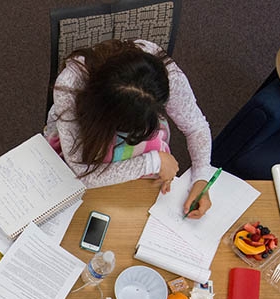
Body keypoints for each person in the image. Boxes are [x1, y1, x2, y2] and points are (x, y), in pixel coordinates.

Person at [44, 39, 216, 218]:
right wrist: (154, 162)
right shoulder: (69, 86)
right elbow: (81, 170)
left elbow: (196, 126)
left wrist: (201, 177)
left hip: (132, 150)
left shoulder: (159, 71)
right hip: (83, 145)